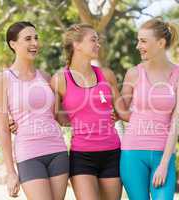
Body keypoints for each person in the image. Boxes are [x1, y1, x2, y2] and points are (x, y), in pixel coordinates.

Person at [51, 23, 130, 200]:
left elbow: (123, 112)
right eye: (93, 40)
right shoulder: (60, 79)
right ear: (77, 45)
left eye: (98, 40)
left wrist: (156, 116)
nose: (98, 44)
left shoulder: (106, 75)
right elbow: (55, 115)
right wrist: (78, 120)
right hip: (82, 156)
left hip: (112, 153)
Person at [0, 21, 69, 200]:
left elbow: (60, 116)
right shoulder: (3, 80)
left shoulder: (46, 77)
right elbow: (3, 130)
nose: (34, 43)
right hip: (29, 154)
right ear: (13, 44)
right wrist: (11, 172)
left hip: (57, 151)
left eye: (36, 38)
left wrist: (99, 114)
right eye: (28, 39)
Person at [119, 17, 179, 200]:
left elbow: (177, 119)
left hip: (163, 153)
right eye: (138, 40)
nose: (137, 46)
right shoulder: (133, 73)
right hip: (132, 153)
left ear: (160, 43)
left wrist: (165, 163)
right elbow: (121, 109)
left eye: (143, 41)